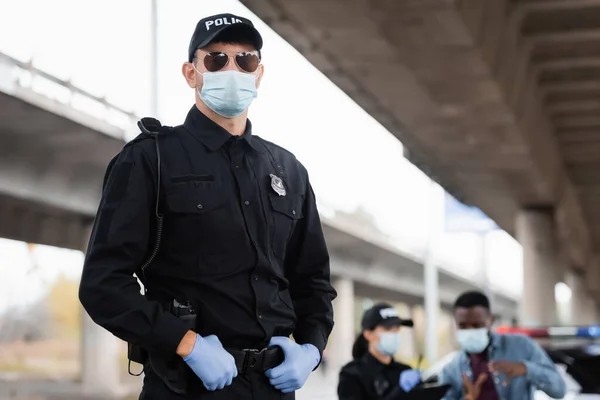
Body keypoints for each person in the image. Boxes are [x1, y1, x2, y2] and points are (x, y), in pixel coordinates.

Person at [78, 12, 337, 400]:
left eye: (244, 60)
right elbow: (103, 283)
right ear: (191, 73)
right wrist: (186, 343)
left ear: (259, 74)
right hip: (185, 387)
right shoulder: (151, 160)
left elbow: (313, 283)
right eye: (216, 60)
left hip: (273, 388)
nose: (232, 69)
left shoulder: (289, 170)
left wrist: (311, 350)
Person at [439, 291, 566, 400]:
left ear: (491, 320)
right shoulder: (452, 369)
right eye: (463, 326)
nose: (470, 331)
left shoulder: (521, 346)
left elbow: (559, 390)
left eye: (477, 325)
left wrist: (527, 369)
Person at [338, 303, 421, 399]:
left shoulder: (404, 370)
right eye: (388, 328)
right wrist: (400, 391)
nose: (394, 334)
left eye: (397, 328)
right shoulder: (351, 373)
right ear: (368, 334)